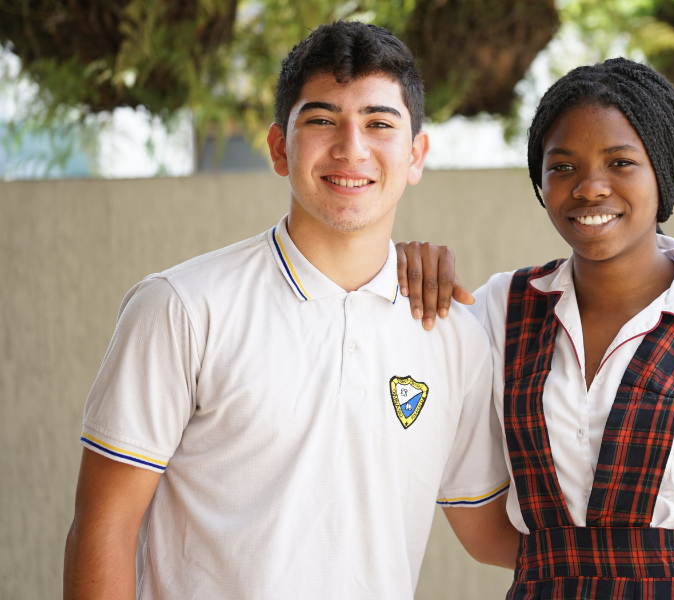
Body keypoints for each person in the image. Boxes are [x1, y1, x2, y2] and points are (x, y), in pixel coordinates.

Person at [62, 21, 517, 600]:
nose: (352, 146)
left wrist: (642, 554)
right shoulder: (181, 308)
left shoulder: (453, 335)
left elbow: (485, 530)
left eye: (379, 123)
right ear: (280, 147)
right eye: (322, 120)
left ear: (416, 153)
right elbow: (104, 527)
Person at [397, 58, 674, 599]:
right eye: (563, 166)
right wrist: (400, 266)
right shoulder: (500, 308)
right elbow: (478, 519)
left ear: (662, 171)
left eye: (620, 162)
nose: (591, 188)